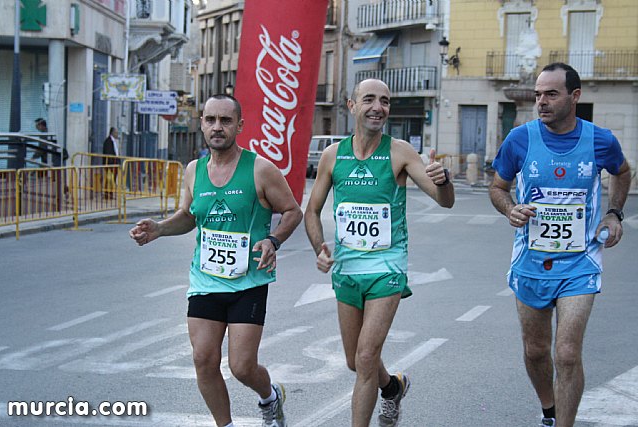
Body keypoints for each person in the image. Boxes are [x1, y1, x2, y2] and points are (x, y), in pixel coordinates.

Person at [130, 94, 302, 427]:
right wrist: (160, 228)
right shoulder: (194, 171)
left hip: (248, 281)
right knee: (203, 360)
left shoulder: (261, 169)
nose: (217, 127)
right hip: (206, 280)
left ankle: (270, 396)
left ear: (239, 125)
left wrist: (273, 240)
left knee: (241, 367)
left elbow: (293, 210)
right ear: (202, 125)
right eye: (210, 120)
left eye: (225, 120)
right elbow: (188, 215)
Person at [304, 79, 455, 427]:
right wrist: (319, 249)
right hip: (346, 268)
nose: (378, 107)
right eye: (369, 99)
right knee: (355, 362)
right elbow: (312, 210)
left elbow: (443, 201)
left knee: (367, 354)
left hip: (387, 267)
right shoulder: (333, 156)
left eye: (385, 101)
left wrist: (444, 180)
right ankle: (392, 388)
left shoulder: (399, 152)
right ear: (351, 105)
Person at [489, 63, 631, 427]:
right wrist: (510, 210)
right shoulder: (520, 139)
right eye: (538, 95)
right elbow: (497, 187)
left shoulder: (601, 140)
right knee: (536, 351)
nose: (541, 102)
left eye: (551, 94)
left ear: (575, 97)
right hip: (530, 261)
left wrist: (613, 213)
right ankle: (549, 410)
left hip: (580, 262)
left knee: (566, 353)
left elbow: (623, 170)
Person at [102, 127, 121, 199]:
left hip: (114, 164)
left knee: (113, 179)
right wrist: (110, 163)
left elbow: (116, 153)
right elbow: (108, 153)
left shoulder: (115, 142)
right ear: (112, 133)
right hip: (110, 164)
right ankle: (107, 194)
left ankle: (111, 193)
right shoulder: (108, 142)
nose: (117, 134)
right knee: (109, 179)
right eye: (116, 133)